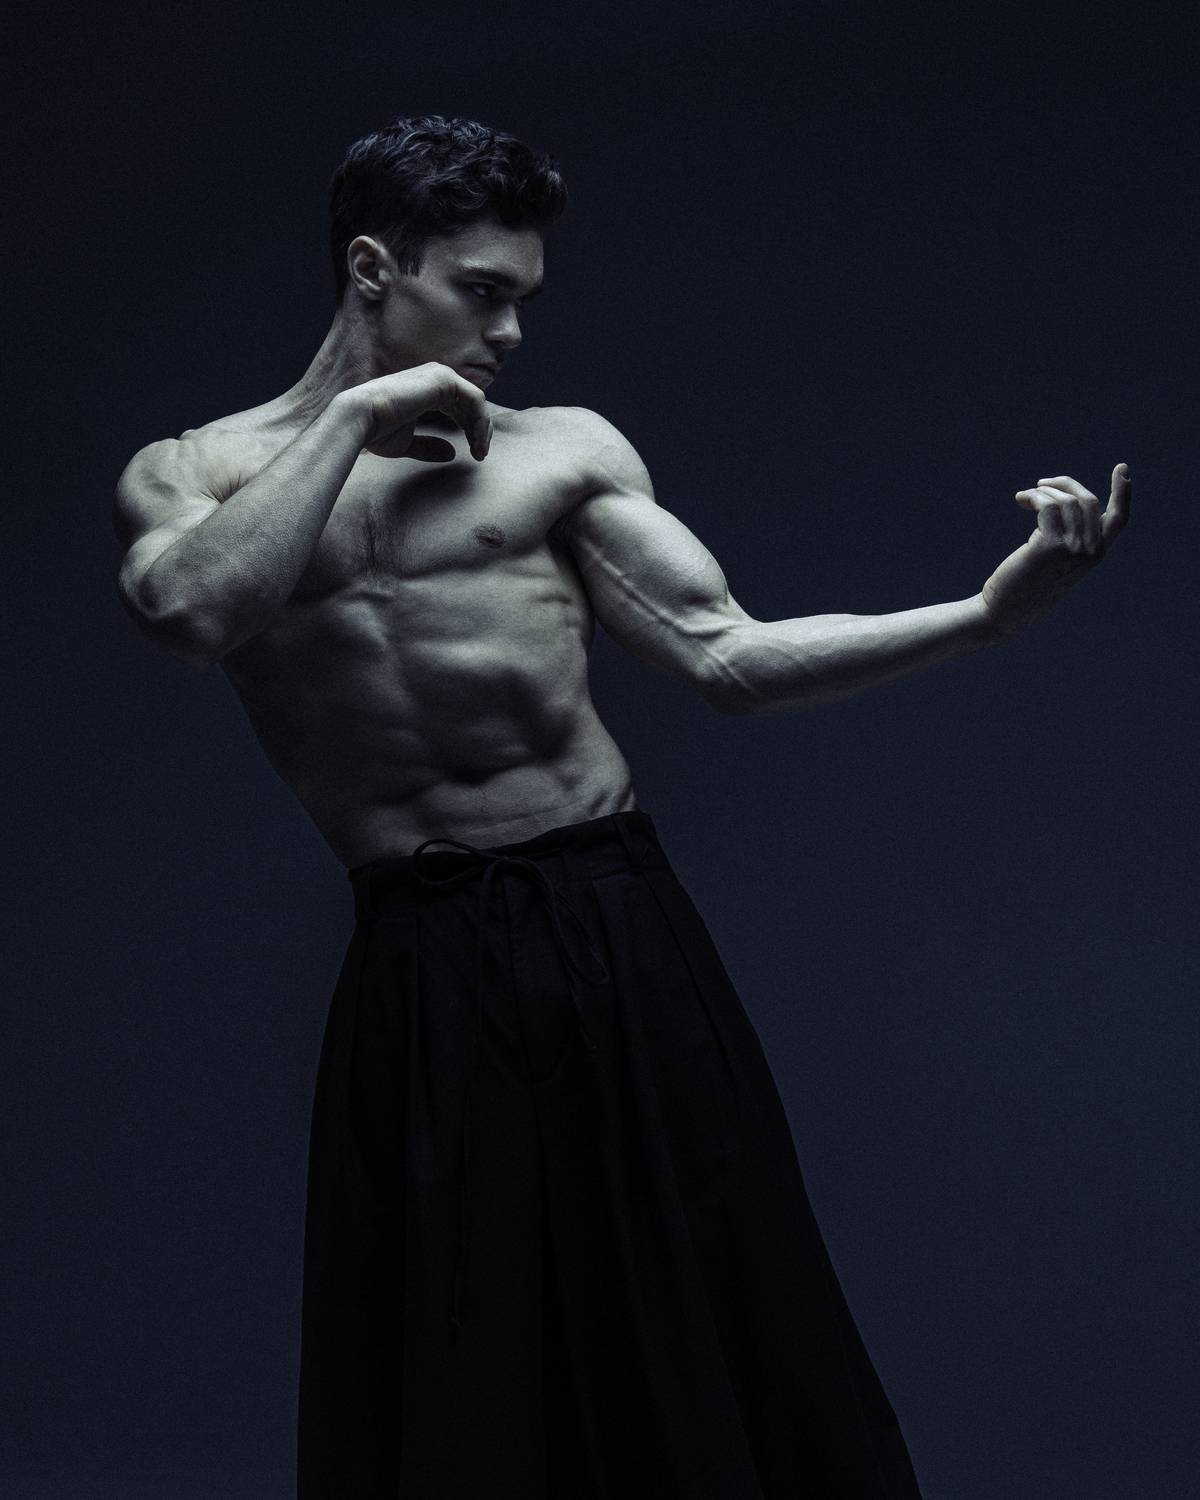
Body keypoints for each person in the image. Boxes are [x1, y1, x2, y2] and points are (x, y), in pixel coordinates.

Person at [110, 113, 1132, 1499]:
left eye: (523, 298)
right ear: (372, 269)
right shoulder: (196, 475)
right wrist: (352, 419)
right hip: (422, 946)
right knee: (452, 1332)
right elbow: (189, 611)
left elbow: (730, 658)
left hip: (610, 914)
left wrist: (984, 616)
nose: (509, 333)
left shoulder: (560, 454)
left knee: (711, 1291)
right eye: (482, 292)